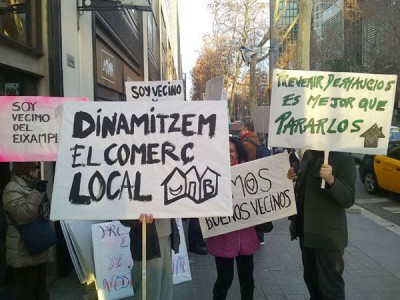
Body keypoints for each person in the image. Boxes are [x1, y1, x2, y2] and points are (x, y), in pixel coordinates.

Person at [287, 150, 356, 300]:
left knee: (330, 287)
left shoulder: (343, 158)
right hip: (306, 232)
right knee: (312, 281)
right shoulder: (308, 155)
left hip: (327, 236)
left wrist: (331, 180)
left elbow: (349, 199)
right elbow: (302, 188)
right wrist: (292, 179)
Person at [207, 137, 260, 300]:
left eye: (231, 150)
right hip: (222, 237)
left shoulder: (250, 172)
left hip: (246, 238)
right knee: (224, 279)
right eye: (225, 151)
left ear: (237, 152)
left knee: (247, 280)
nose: (228, 154)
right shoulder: (210, 174)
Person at [2, 162, 52, 300]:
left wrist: (40, 192)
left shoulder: (32, 184)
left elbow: (44, 211)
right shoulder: (12, 189)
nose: (38, 170)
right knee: (26, 291)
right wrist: (37, 193)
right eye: (36, 167)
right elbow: (22, 214)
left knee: (41, 288)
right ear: (28, 170)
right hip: (24, 248)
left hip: (38, 245)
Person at [120, 214, 180, 300]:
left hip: (167, 240)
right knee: (149, 293)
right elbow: (123, 216)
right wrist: (137, 218)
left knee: (166, 291)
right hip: (147, 244)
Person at [239, 122, 265, 245]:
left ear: (247, 130)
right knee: (257, 208)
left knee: (252, 210)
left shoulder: (246, 144)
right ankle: (260, 237)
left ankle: (257, 237)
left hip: (250, 181)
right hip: (258, 180)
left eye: (241, 130)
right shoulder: (256, 141)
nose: (240, 132)